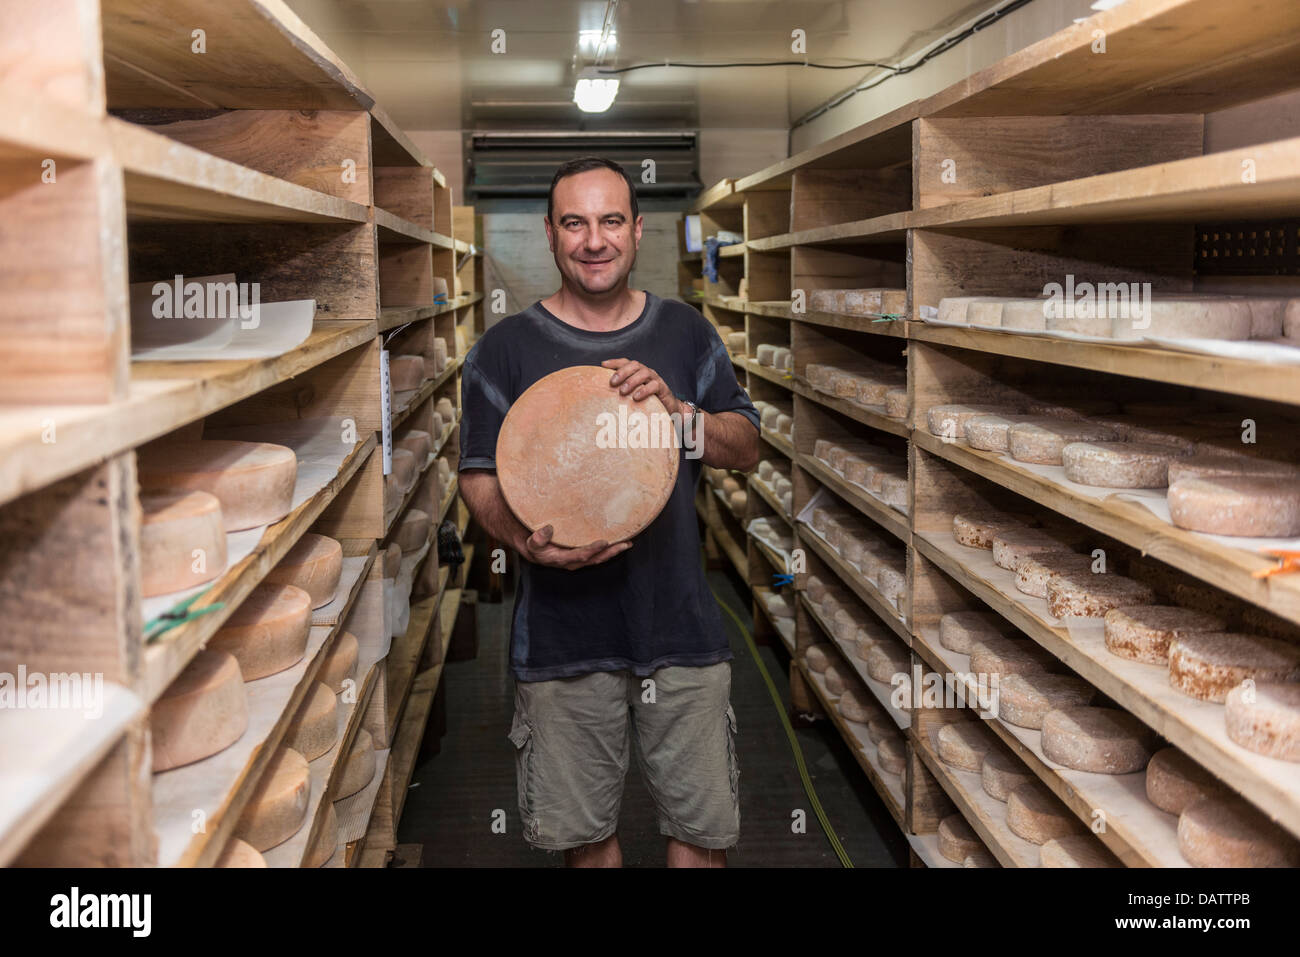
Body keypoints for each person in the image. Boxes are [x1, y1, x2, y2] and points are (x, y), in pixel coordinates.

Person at [457, 156, 760, 867]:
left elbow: (745, 446)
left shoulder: (686, 334)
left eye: (610, 220)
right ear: (551, 234)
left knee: (700, 840)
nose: (594, 239)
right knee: (588, 846)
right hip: (564, 641)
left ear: (637, 229)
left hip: (681, 632)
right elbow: (476, 476)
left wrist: (680, 414)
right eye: (575, 222)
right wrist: (526, 545)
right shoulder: (504, 349)